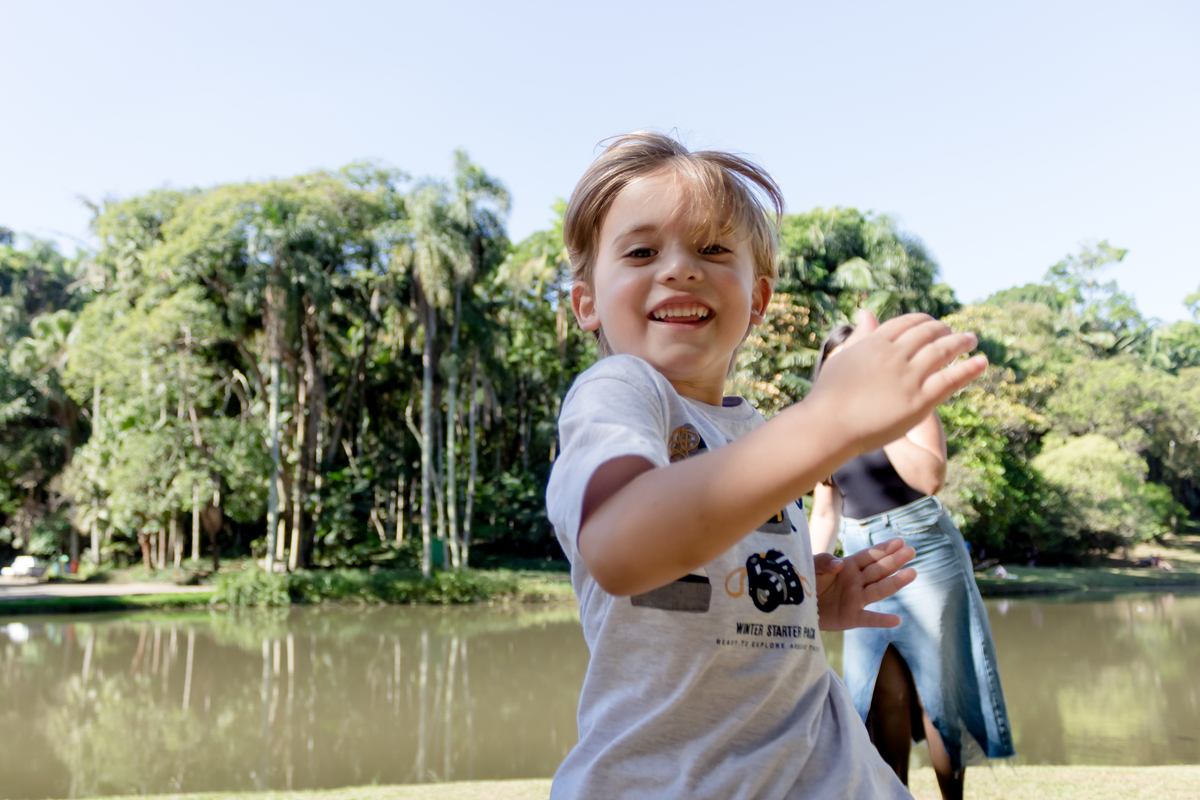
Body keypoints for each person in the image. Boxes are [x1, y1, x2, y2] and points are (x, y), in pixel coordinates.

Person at [545, 131, 987, 799]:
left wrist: (806, 602)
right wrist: (827, 419)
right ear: (587, 304)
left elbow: (718, 583)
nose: (680, 269)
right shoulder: (621, 392)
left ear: (757, 298)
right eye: (641, 252)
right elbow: (620, 544)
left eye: (712, 249)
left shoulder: (750, 429)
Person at [808, 323, 1015, 800]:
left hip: (924, 551)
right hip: (861, 557)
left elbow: (930, 477)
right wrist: (815, 567)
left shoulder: (911, 405)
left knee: (938, 696)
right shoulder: (822, 426)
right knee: (883, 697)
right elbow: (825, 510)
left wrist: (880, 416)